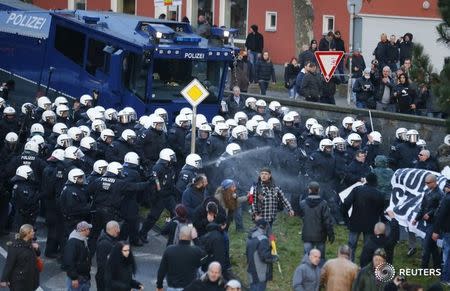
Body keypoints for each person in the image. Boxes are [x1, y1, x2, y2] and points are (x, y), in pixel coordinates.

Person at [343, 173, 385, 261]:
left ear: (366, 180)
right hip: (370, 224)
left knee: (351, 245)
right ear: (376, 182)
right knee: (368, 247)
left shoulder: (357, 190)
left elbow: (346, 203)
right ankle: (365, 265)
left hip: (355, 221)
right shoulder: (379, 194)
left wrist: (346, 218)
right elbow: (381, 211)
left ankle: (349, 263)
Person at [157, 225, 205, 290]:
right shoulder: (196, 251)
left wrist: (159, 286)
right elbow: (205, 255)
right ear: (190, 237)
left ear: (179, 235)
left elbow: (161, 271)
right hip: (189, 287)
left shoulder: (169, 250)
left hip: (172, 287)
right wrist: (195, 239)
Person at [412, 174, 443, 269]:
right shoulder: (427, 191)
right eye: (425, 183)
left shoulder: (440, 194)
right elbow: (422, 207)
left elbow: (441, 208)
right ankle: (437, 266)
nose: (426, 184)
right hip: (428, 222)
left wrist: (430, 213)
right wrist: (416, 218)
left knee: (426, 245)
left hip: (434, 222)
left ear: (434, 182)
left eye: (428, 183)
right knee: (432, 246)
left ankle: (423, 268)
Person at [298, 181, 334, 263]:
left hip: (307, 234)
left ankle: (305, 273)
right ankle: (320, 274)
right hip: (320, 235)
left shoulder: (303, 203)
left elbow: (301, 215)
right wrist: (331, 234)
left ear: (309, 190)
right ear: (319, 190)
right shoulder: (324, 204)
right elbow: (327, 221)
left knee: (307, 257)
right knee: (320, 258)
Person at [0, 224, 40, 291]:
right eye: (32, 231)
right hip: (19, 280)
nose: (34, 233)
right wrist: (3, 280)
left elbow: (38, 254)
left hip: (30, 278)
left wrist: (37, 248)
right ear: (27, 234)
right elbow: (9, 264)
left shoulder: (30, 243)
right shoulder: (14, 247)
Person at [246, 219, 278, 291]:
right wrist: (274, 257)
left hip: (251, 269)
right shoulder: (263, 239)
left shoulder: (250, 236)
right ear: (265, 227)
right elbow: (265, 257)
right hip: (260, 272)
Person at [62, 221, 92, 291]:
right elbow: (69, 261)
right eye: (88, 229)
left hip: (84, 277)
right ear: (83, 230)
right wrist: (74, 278)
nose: (90, 231)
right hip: (77, 279)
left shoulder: (83, 240)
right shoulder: (72, 243)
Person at [432, 180, 450, 285]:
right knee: (447, 255)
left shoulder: (446, 198)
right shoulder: (447, 199)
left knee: (446, 254)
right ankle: (445, 278)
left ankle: (445, 277)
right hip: (448, 231)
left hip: (447, 230)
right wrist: (435, 231)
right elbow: (440, 216)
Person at [95, 221, 120, 291]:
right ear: (113, 229)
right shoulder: (105, 244)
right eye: (118, 228)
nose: (119, 230)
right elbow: (102, 264)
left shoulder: (110, 241)